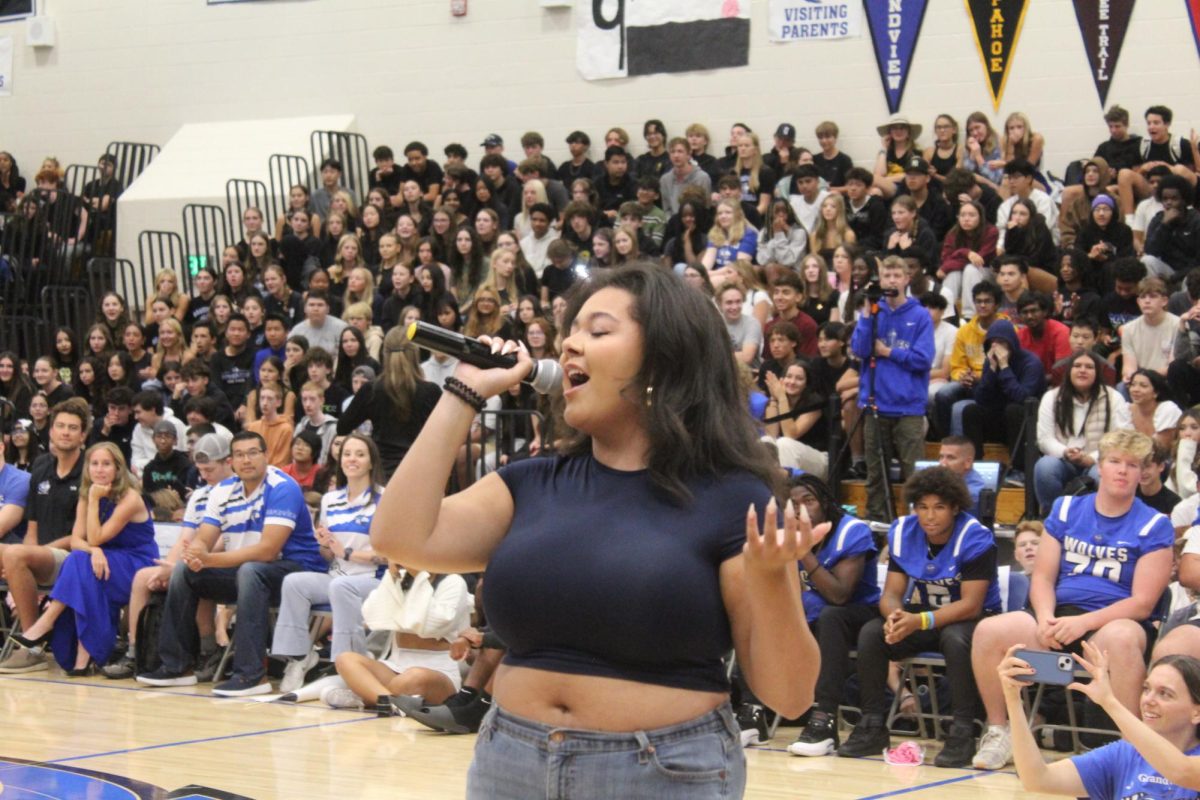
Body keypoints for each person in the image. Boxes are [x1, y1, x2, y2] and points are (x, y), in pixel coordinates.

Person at [371, 263, 821, 798]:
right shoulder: (531, 484)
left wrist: (772, 578)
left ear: (663, 360)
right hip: (508, 761)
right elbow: (399, 537)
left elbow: (790, 697)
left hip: (662, 772)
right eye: (571, 331)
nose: (569, 347)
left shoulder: (731, 499)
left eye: (598, 331)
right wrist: (463, 392)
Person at [969, 429, 1174, 771]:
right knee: (991, 630)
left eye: (1132, 465)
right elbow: (1044, 577)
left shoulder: (1154, 524)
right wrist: (1046, 617)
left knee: (1121, 637)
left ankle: (1132, 748)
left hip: (1112, 623)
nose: (1123, 470)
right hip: (1058, 617)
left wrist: (1083, 623)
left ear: (1143, 473)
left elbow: (1142, 602)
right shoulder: (1066, 509)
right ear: (1101, 468)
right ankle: (998, 730)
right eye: (1115, 462)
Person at [137, 431, 327, 696]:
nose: (246, 460)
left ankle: (251, 675)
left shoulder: (283, 487)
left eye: (252, 453)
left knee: (252, 571)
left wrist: (209, 559)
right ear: (231, 461)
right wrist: (196, 554)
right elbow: (205, 537)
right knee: (183, 571)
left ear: (266, 456)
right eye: (239, 454)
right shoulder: (222, 491)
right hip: (248, 572)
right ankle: (176, 666)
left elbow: (268, 551)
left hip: (296, 570)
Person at [838, 466, 1000, 767]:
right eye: (923, 507)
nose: (929, 515)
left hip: (976, 621)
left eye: (939, 507)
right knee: (873, 632)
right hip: (926, 616)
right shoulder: (904, 531)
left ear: (955, 507)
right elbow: (890, 594)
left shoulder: (975, 537)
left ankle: (962, 731)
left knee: (955, 638)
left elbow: (971, 605)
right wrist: (894, 617)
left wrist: (919, 621)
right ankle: (873, 724)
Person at [6, 443, 156, 675]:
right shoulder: (88, 494)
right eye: (94, 464)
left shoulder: (130, 498)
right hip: (103, 559)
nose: (99, 470)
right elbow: (77, 540)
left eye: (106, 464)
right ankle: (81, 656)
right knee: (79, 561)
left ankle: (47, 623)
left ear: (118, 468)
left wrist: (95, 505)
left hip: (136, 563)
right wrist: (94, 551)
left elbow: (96, 536)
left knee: (79, 564)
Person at [1001, 642, 1200, 799]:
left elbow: (1180, 771)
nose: (1148, 700)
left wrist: (1109, 701)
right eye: (1146, 689)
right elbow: (1036, 779)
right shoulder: (1123, 754)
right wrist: (1013, 700)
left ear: (1197, 713)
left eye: (1165, 694)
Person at [271, 434, 386, 693]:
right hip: (337, 577)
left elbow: (390, 555)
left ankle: (348, 665)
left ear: (371, 462)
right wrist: (324, 544)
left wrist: (345, 552)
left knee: (341, 587)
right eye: (347, 454)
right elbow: (328, 554)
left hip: (374, 581)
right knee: (294, 583)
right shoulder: (330, 500)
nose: (352, 459)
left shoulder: (384, 498)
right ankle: (299, 657)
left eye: (359, 454)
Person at [784, 474, 881, 757]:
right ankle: (753, 712)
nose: (802, 509)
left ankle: (824, 719)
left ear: (825, 502)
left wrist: (804, 553)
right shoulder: (787, 531)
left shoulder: (853, 531)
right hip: (820, 613)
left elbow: (840, 595)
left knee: (830, 615)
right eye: (794, 503)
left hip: (860, 614)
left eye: (809, 500)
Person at [0, 398, 89, 674]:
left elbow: (81, 535)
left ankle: (32, 647)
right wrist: (25, 556)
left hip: (76, 557)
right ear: (50, 431)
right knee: (12, 553)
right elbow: (32, 528)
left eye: (73, 428)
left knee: (14, 553)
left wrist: (30, 555)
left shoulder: (89, 470)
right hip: (43, 556)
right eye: (60, 426)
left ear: (83, 435)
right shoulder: (40, 466)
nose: (65, 432)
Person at [849, 256, 934, 523]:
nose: (892, 280)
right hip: (876, 404)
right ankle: (878, 525)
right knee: (876, 474)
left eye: (897, 275)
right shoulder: (873, 311)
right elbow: (860, 350)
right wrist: (865, 313)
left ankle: (918, 523)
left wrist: (888, 352)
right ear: (881, 279)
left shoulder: (920, 315)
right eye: (887, 276)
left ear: (907, 279)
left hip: (908, 406)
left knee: (915, 474)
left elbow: (923, 359)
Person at [337, 328, 441, 478]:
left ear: (384, 353)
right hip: (421, 470)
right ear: (415, 354)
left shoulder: (371, 390)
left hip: (381, 471)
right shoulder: (431, 391)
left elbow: (342, 426)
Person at [1034, 350, 1130, 515]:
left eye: (1089, 367)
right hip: (1063, 460)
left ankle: (1097, 519)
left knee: (1102, 474)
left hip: (1099, 460)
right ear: (1069, 371)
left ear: (1097, 373)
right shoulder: (1051, 397)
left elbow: (1121, 438)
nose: (1082, 370)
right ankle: (1052, 517)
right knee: (1045, 466)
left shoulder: (1114, 398)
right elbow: (1044, 439)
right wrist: (1065, 452)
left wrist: (1091, 458)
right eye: (1077, 366)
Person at [938, 435, 987, 519]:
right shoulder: (947, 481)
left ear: (968, 462)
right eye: (941, 457)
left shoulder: (972, 494)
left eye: (950, 458)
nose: (943, 463)